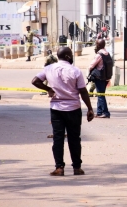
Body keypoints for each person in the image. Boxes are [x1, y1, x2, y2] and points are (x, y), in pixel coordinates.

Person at [31, 47, 95, 176]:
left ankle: (59, 168)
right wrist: (90, 108)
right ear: (67, 57)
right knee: (75, 139)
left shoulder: (49, 68)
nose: (72, 57)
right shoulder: (75, 71)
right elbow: (83, 91)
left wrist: (48, 89)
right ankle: (77, 167)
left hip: (56, 109)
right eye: (71, 55)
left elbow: (35, 81)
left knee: (58, 139)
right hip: (73, 109)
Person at [88, 39, 112, 118]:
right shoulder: (107, 53)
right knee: (100, 94)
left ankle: (105, 112)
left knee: (100, 95)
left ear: (98, 45)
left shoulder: (99, 55)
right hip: (106, 77)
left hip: (99, 78)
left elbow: (91, 66)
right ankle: (99, 112)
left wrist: (89, 73)